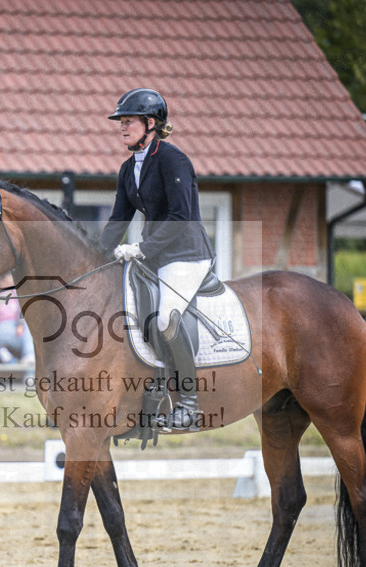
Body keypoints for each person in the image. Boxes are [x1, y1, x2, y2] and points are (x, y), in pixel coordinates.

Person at [97, 88, 216, 432]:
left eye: (128, 121)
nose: (122, 127)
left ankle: (189, 406)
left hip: (186, 255)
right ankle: (150, 394)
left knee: (166, 319)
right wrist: (92, 257)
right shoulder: (128, 168)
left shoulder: (172, 160)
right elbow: (118, 221)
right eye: (120, 122)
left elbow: (181, 217)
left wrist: (142, 248)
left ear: (151, 123)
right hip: (155, 257)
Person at [0, 274, 35, 381]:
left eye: (12, 283)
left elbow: (23, 312)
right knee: (29, 342)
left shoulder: (17, 296)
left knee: (29, 333)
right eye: (7, 283)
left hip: (15, 329)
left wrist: (20, 325)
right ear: (1, 283)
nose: (10, 285)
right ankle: (29, 367)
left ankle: (29, 374)